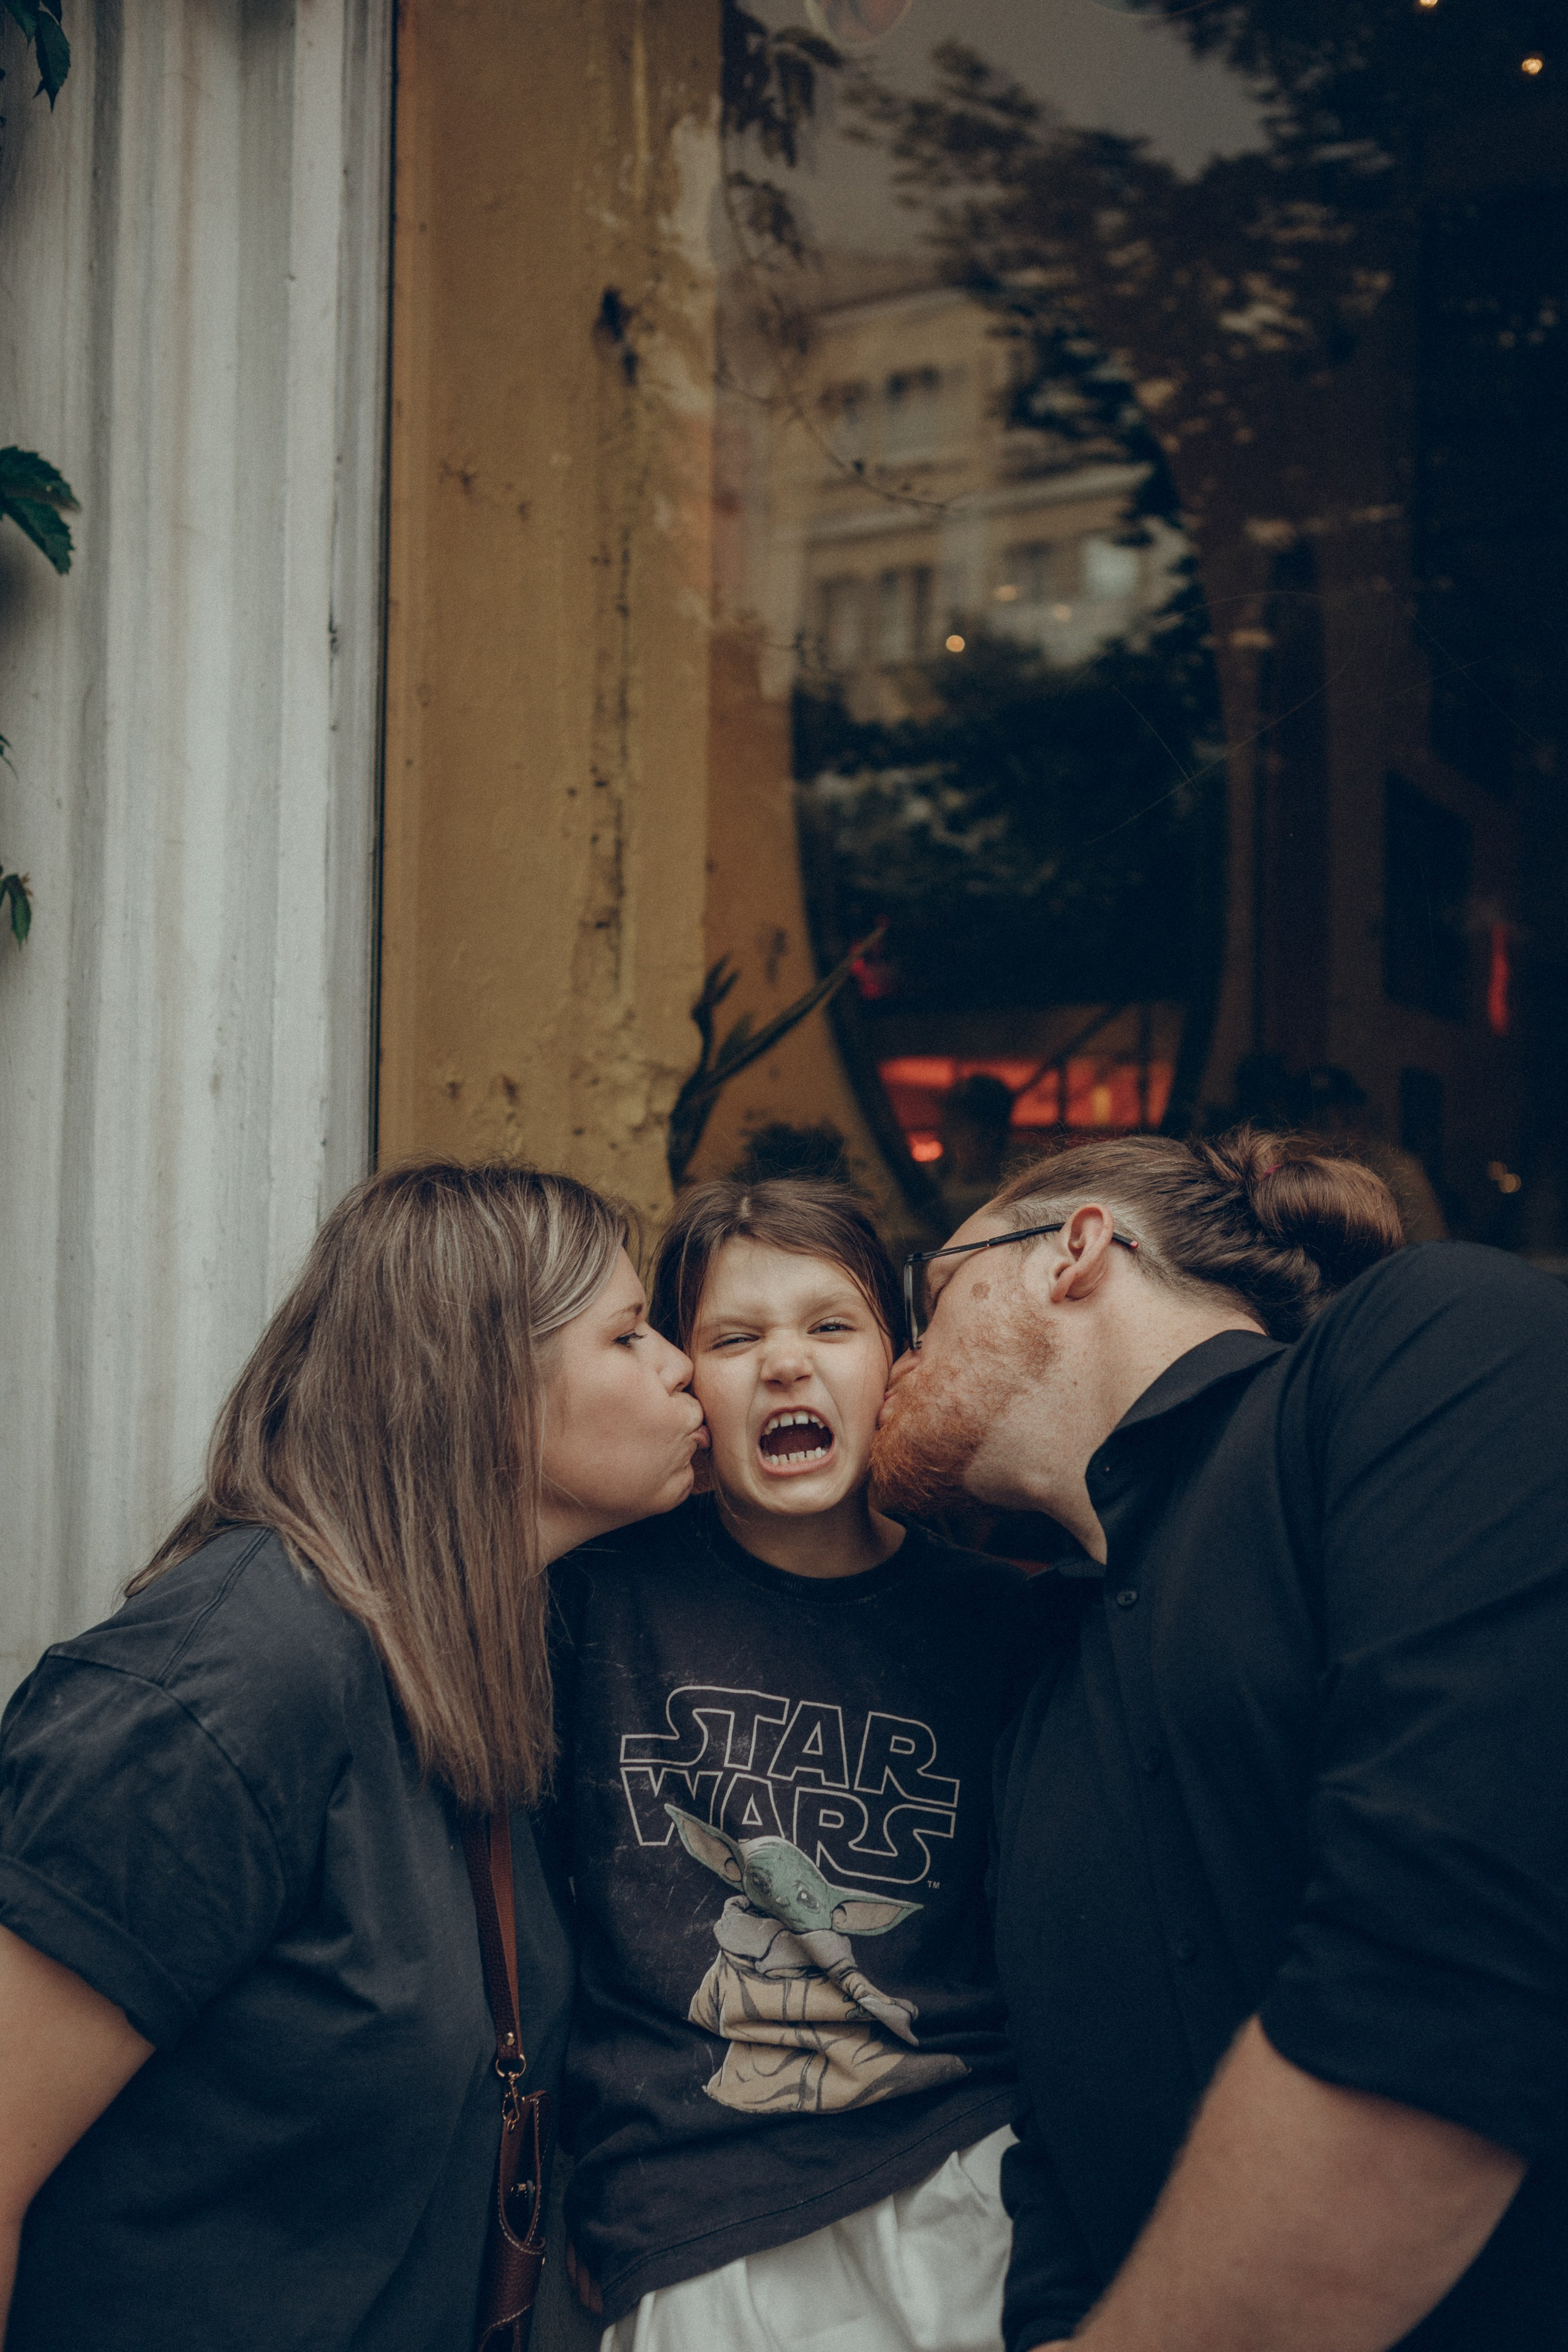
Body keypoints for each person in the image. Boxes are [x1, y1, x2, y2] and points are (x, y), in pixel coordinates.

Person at [873, 1128, 1568, 2352]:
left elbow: (1438, 1989)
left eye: (931, 1288)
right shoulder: (1029, 1679)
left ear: (1073, 1248)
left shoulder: (1432, 1347)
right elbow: (1052, 2150)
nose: (896, 1350)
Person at [0, 1161, 706, 2352]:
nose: (679, 1363)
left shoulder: (483, 1656)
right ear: (487, 1388)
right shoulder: (226, 1686)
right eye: (629, 1334)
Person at [549, 1177, 1035, 2352]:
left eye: (831, 1325)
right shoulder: (591, 1600)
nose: (784, 1364)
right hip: (685, 2216)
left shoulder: (1004, 1626)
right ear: (681, 1381)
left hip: (957, 2182)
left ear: (898, 1364)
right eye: (732, 1337)